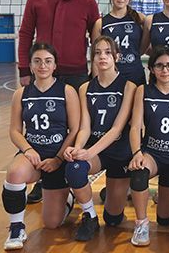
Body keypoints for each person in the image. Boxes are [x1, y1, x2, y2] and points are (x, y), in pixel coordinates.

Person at [18, 0, 100, 204]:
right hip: (43, 74)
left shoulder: (87, 2)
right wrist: (24, 69)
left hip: (77, 75)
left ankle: (72, 175)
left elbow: (96, 39)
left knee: (77, 128)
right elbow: (25, 34)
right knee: (42, 128)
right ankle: (43, 179)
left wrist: (95, 71)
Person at [2, 43, 80, 250]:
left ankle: (68, 196)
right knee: (14, 173)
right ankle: (16, 228)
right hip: (33, 154)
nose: (42, 65)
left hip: (58, 156)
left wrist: (58, 159)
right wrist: (28, 150)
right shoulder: (21, 94)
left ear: (55, 65)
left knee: (52, 223)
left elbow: (75, 130)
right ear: (30, 65)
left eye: (47, 61)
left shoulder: (67, 91)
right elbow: (15, 131)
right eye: (37, 61)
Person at [63, 36, 136, 241]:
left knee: (113, 219)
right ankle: (90, 216)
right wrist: (78, 148)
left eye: (107, 52)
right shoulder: (85, 88)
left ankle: (111, 193)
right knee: (74, 167)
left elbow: (116, 129)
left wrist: (89, 152)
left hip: (120, 153)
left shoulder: (129, 86)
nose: (102, 56)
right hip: (96, 152)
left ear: (117, 57)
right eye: (97, 53)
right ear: (92, 58)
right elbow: (85, 127)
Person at [127, 45, 169, 246]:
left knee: (165, 220)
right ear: (152, 69)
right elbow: (135, 126)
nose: (165, 70)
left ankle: (168, 203)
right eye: (159, 65)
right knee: (138, 174)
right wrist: (137, 152)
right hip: (152, 155)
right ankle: (141, 224)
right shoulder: (143, 91)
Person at [91, 0, 147, 86]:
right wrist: (96, 83)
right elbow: (95, 56)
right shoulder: (101, 23)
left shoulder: (140, 18)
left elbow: (147, 46)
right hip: (110, 76)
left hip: (135, 74)